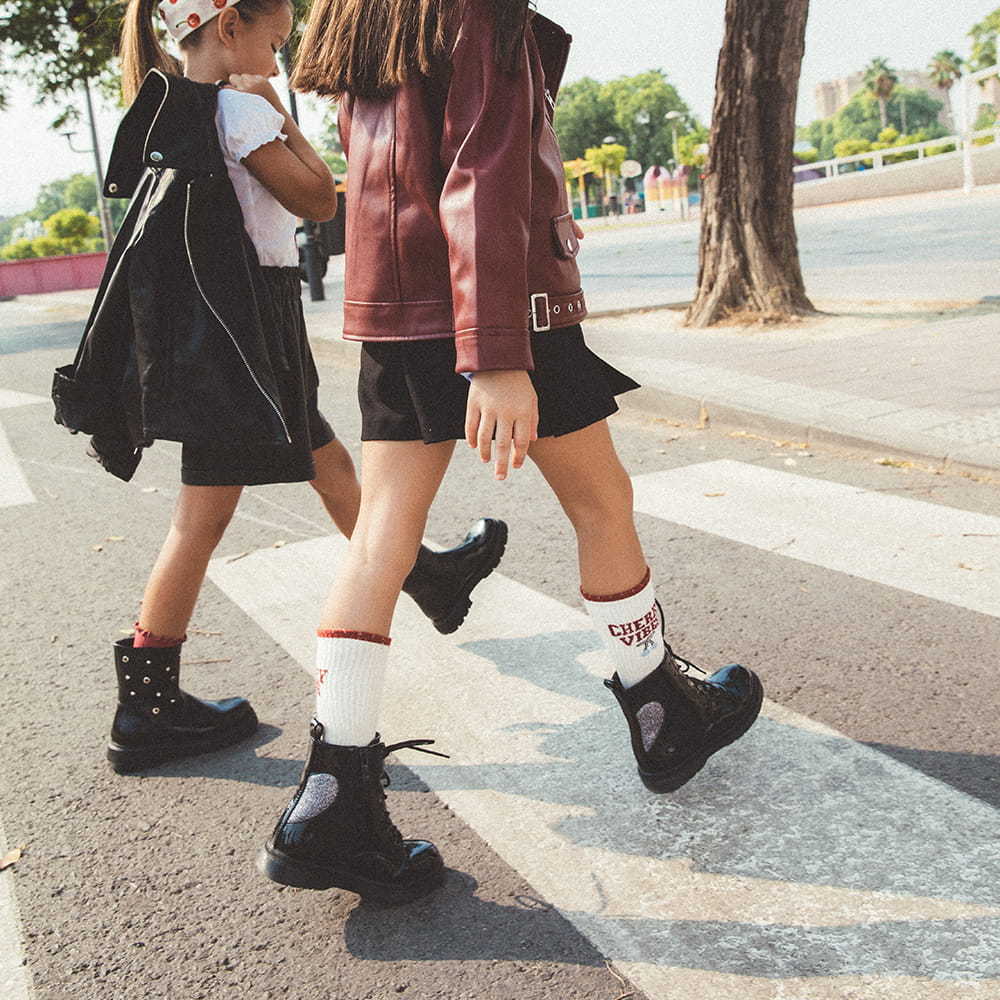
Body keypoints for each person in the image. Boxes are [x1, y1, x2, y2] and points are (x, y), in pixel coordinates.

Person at [257, 0, 763, 905]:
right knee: (601, 501)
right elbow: (483, 173)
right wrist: (496, 356)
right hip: (503, 312)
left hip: (395, 311)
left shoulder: (358, 16)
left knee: (379, 540)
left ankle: (331, 794)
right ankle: (658, 706)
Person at [52, 0, 507, 775]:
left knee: (324, 464)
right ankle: (146, 706)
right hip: (246, 336)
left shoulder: (182, 108)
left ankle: (426, 576)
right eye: (274, 36)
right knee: (202, 517)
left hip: (235, 332)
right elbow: (320, 196)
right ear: (228, 30)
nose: (282, 53)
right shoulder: (237, 110)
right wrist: (285, 118)